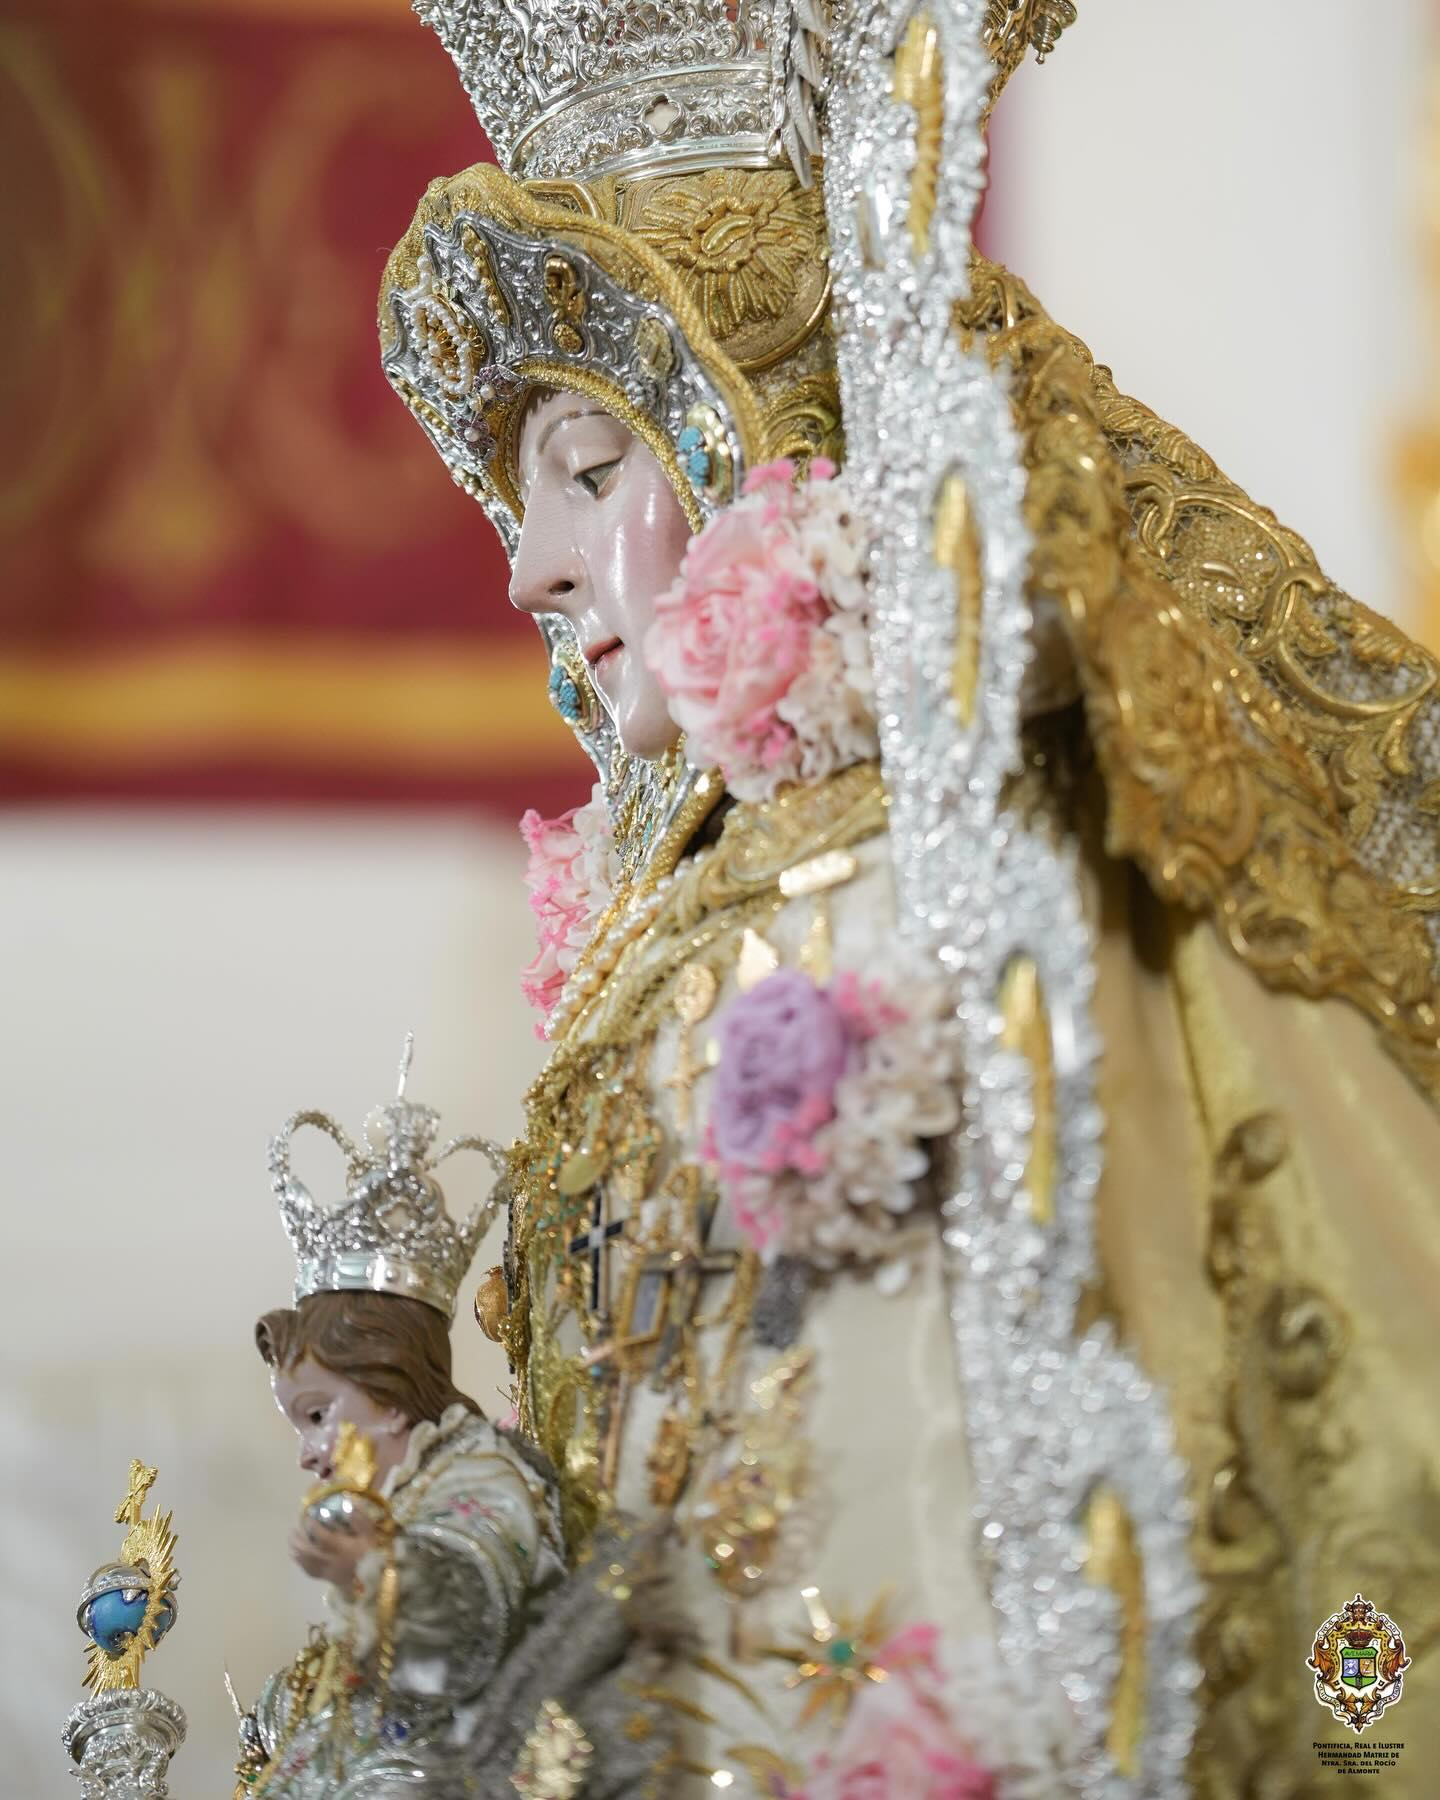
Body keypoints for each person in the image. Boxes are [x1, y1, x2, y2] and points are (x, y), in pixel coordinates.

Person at [378, 4, 1440, 1792]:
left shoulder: (927, 873)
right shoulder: (705, 908)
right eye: (521, 498)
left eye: (591, 467)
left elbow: (968, 1457)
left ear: (743, 436)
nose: (534, 570)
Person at [235, 1066, 675, 1797]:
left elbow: (463, 1645)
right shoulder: (402, 1502)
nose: (308, 1452)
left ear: (389, 1394)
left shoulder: (482, 1475)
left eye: (318, 1415)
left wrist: (379, 1572)